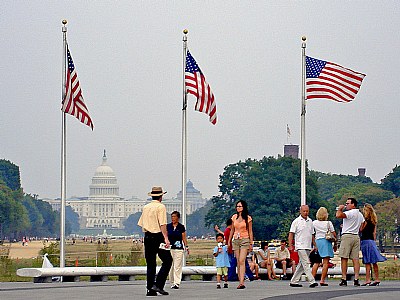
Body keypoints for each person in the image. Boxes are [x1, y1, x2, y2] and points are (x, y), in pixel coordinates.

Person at [137, 186, 172, 296]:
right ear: (161, 196)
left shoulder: (146, 207)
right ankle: (158, 284)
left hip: (147, 236)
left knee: (150, 263)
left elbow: (142, 223)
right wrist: (166, 238)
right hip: (158, 237)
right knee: (167, 261)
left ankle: (150, 288)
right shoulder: (161, 207)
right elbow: (162, 224)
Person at [336, 197, 364, 287]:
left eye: (348, 203)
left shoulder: (350, 213)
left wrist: (339, 209)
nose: (346, 205)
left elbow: (339, 215)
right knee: (355, 259)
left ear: (353, 204)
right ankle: (356, 278)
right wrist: (358, 229)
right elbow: (363, 223)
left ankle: (344, 278)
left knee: (344, 258)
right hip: (356, 235)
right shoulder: (359, 214)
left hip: (347, 235)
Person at [288, 205, 318, 288]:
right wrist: (290, 245)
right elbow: (291, 234)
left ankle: (294, 281)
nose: (305, 213)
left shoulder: (310, 221)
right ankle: (312, 281)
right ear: (300, 211)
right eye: (304, 211)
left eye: (307, 211)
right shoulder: (296, 221)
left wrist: (315, 245)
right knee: (306, 263)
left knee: (301, 265)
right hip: (300, 245)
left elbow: (312, 234)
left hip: (308, 246)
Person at [228, 200, 253, 289]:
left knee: (242, 260)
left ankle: (242, 282)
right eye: (237, 206)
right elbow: (232, 230)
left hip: (244, 239)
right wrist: (229, 241)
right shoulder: (234, 217)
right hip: (236, 240)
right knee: (238, 261)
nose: (238, 208)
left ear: (243, 207)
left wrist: (251, 243)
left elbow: (250, 231)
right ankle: (240, 280)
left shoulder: (248, 218)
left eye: (240, 206)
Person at [360, 203, 387, 286]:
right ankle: (377, 278)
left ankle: (367, 279)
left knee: (367, 262)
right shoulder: (374, 221)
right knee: (374, 261)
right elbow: (374, 233)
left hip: (365, 241)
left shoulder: (365, 221)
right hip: (372, 241)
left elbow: (361, 229)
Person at [311, 207, 337, 286]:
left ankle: (312, 279)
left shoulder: (314, 223)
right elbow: (334, 234)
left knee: (316, 262)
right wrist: (335, 243)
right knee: (325, 262)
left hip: (318, 241)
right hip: (326, 242)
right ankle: (322, 280)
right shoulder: (328, 223)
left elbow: (312, 233)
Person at [167, 211, 188, 289]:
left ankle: (177, 282)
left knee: (177, 266)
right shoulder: (168, 226)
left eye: (174, 216)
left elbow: (184, 237)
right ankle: (172, 281)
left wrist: (186, 246)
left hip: (178, 248)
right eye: (172, 217)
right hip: (169, 248)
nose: (173, 218)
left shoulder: (181, 227)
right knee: (170, 266)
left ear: (178, 218)